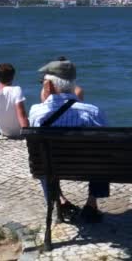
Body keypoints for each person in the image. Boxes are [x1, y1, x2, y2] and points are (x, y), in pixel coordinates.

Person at [29, 58, 109, 223]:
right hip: (87, 167)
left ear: (49, 86)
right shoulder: (93, 112)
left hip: (51, 167)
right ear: (73, 84)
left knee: (45, 161)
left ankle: (60, 201)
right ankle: (91, 204)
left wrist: (46, 97)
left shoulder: (36, 112)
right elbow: (106, 144)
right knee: (102, 153)